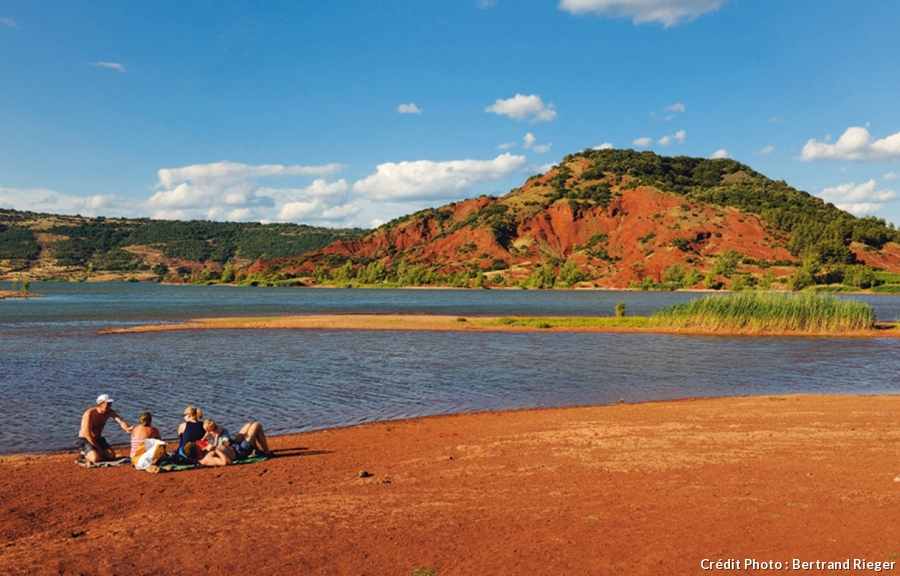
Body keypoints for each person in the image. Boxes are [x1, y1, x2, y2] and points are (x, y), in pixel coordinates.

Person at [77, 394, 132, 465]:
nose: (110, 406)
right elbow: (87, 434)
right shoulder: (89, 414)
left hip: (98, 438)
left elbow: (120, 421)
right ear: (99, 405)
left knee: (111, 456)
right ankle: (83, 453)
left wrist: (127, 428)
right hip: (86, 439)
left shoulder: (109, 412)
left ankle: (95, 452)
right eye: (107, 404)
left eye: (110, 404)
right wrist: (99, 449)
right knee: (95, 458)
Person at [201, 419, 275, 463]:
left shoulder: (217, 432)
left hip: (233, 445)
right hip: (240, 451)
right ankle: (267, 452)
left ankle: (256, 450)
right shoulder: (209, 455)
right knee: (256, 425)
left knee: (248, 424)